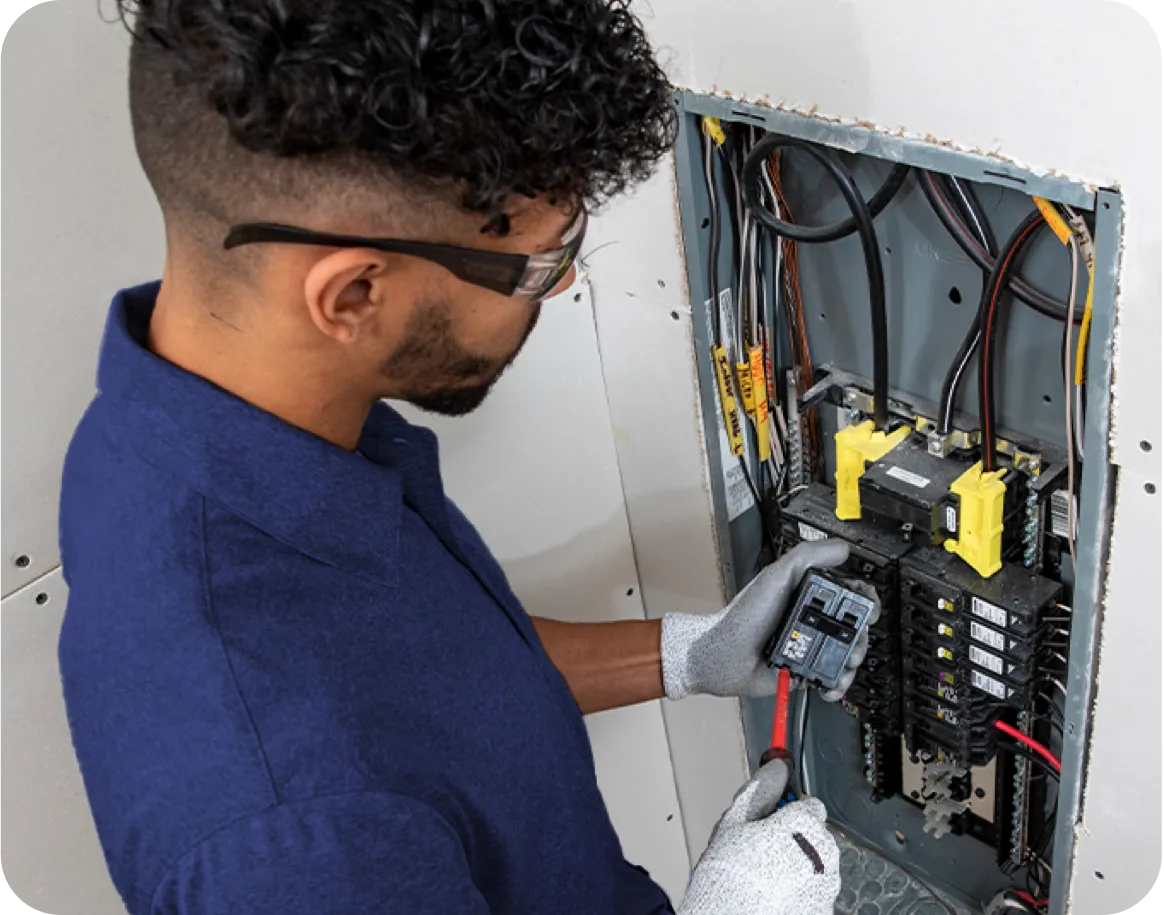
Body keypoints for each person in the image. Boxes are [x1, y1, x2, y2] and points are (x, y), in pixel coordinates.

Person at [58, 2, 867, 913]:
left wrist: (684, 655)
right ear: (354, 292)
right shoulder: (295, 848)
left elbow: (432, 697)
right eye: (537, 266)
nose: (561, 289)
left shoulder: (189, 429)